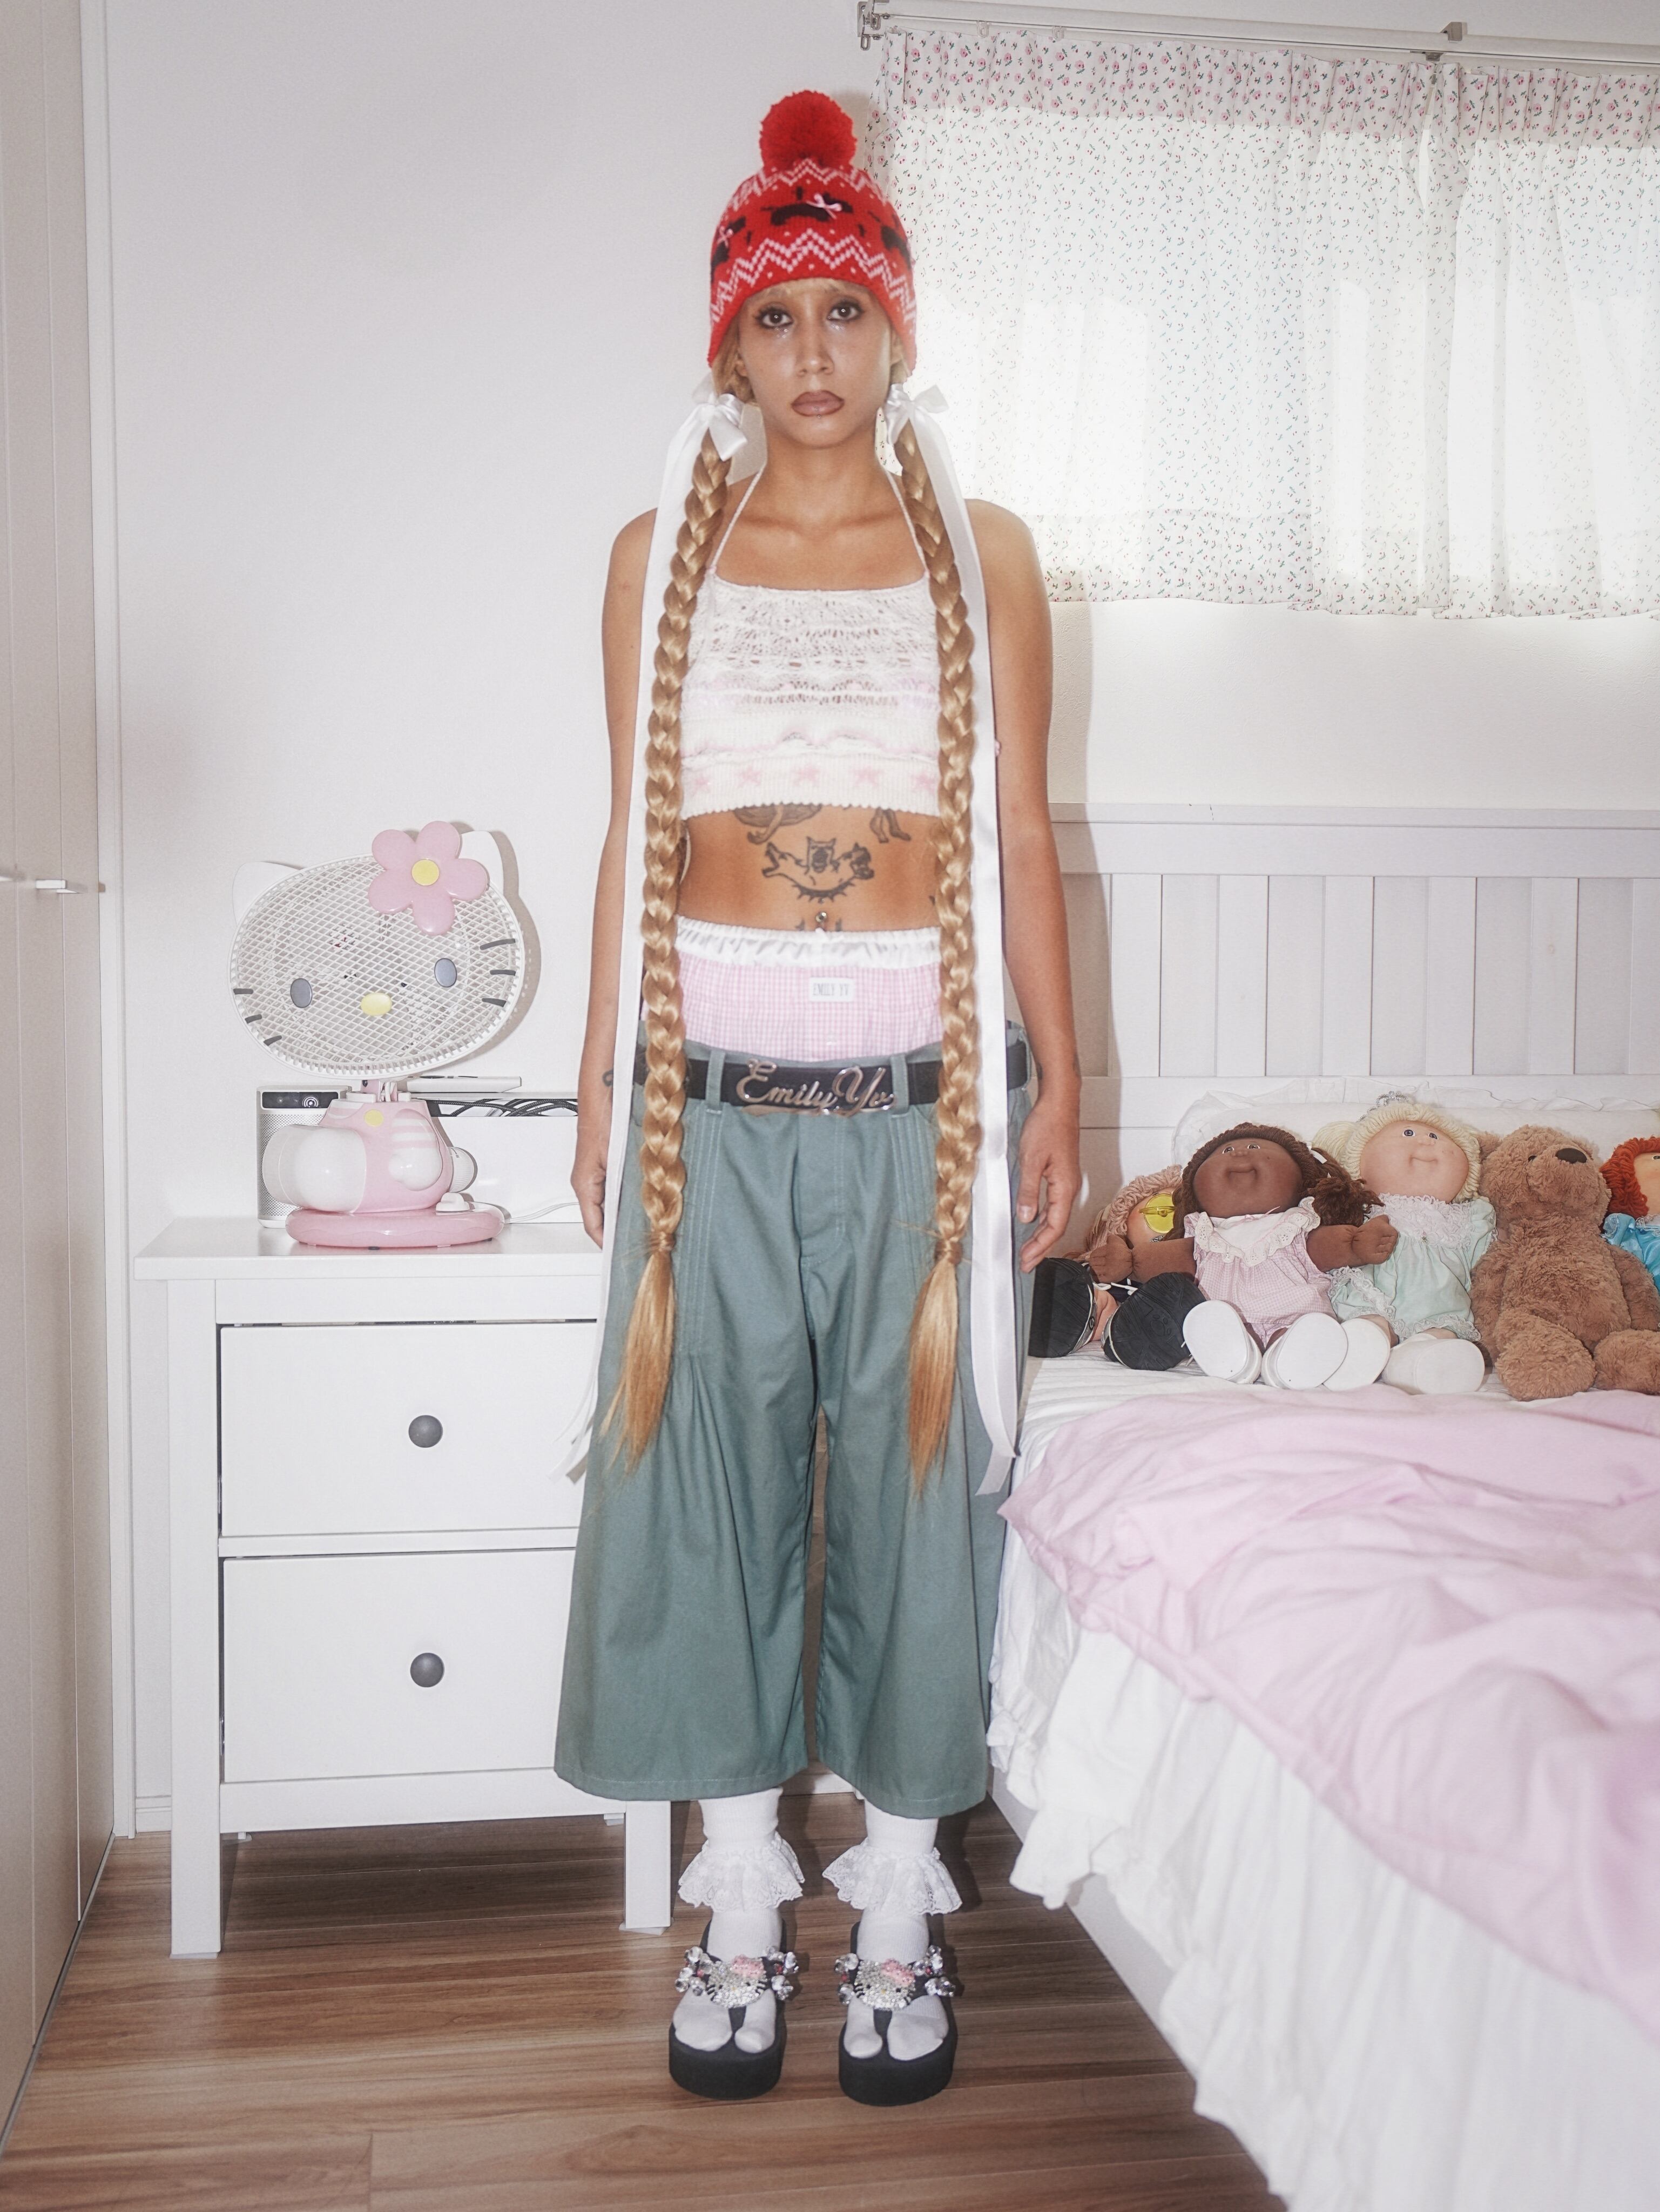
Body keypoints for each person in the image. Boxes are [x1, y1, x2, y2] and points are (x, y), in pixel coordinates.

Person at [555, 91, 1080, 2105]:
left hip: (925, 1106)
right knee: (703, 1474)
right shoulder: (657, 554)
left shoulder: (984, 554)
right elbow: (632, 832)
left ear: (895, 330)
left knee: (917, 1484)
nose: (810, 356)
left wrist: (1059, 1083)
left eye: (842, 314)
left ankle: (902, 1908)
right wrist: (594, 1086)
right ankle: (742, 1895)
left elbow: (1020, 833)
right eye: (771, 319)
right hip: (707, 1106)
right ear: (727, 343)